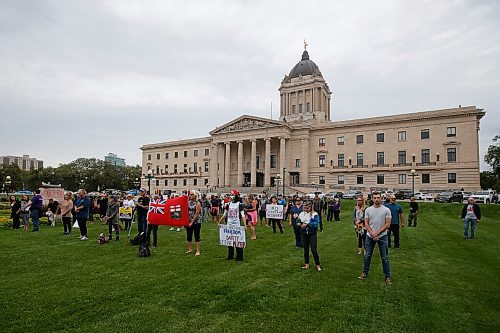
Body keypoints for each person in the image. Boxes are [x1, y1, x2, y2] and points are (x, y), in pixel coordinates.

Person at [359, 192, 392, 284]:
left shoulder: (386, 210)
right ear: (372, 199)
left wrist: (377, 233)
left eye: (378, 197)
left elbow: (387, 224)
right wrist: (372, 233)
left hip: (382, 236)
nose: (377, 199)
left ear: (381, 198)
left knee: (384, 257)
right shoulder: (368, 210)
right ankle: (365, 272)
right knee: (367, 255)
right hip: (370, 236)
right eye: (375, 198)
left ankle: (387, 276)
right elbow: (366, 223)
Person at [220, 190, 246, 261]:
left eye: (232, 195)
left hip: (237, 225)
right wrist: (219, 222)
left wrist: (245, 224)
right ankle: (230, 255)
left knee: (238, 241)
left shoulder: (239, 204)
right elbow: (224, 214)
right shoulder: (228, 204)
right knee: (229, 241)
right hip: (229, 225)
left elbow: (243, 215)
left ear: (235, 196)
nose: (230, 196)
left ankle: (239, 256)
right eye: (230, 194)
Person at [298, 201, 321, 271]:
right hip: (303, 234)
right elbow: (297, 220)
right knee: (306, 250)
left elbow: (316, 224)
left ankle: (318, 265)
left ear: (311, 208)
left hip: (312, 234)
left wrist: (307, 225)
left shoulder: (314, 214)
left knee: (314, 250)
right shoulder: (301, 214)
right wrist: (299, 224)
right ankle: (306, 264)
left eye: (307, 208)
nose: (306, 210)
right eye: (305, 208)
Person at [186, 191, 202, 256]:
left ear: (195, 195)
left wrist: (192, 222)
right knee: (189, 235)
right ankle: (190, 249)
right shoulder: (188, 203)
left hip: (196, 222)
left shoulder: (198, 203)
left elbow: (197, 214)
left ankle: (198, 251)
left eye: (192, 194)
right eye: (190, 194)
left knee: (196, 235)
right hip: (189, 221)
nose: (190, 196)